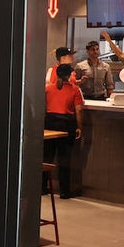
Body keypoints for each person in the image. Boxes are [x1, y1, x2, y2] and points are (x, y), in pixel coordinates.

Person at [44, 63, 84, 199]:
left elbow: (43, 106)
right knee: (64, 159)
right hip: (66, 124)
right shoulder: (75, 90)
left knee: (47, 157)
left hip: (49, 123)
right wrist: (79, 127)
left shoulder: (48, 89)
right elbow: (78, 110)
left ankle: (42, 188)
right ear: (69, 75)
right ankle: (64, 191)